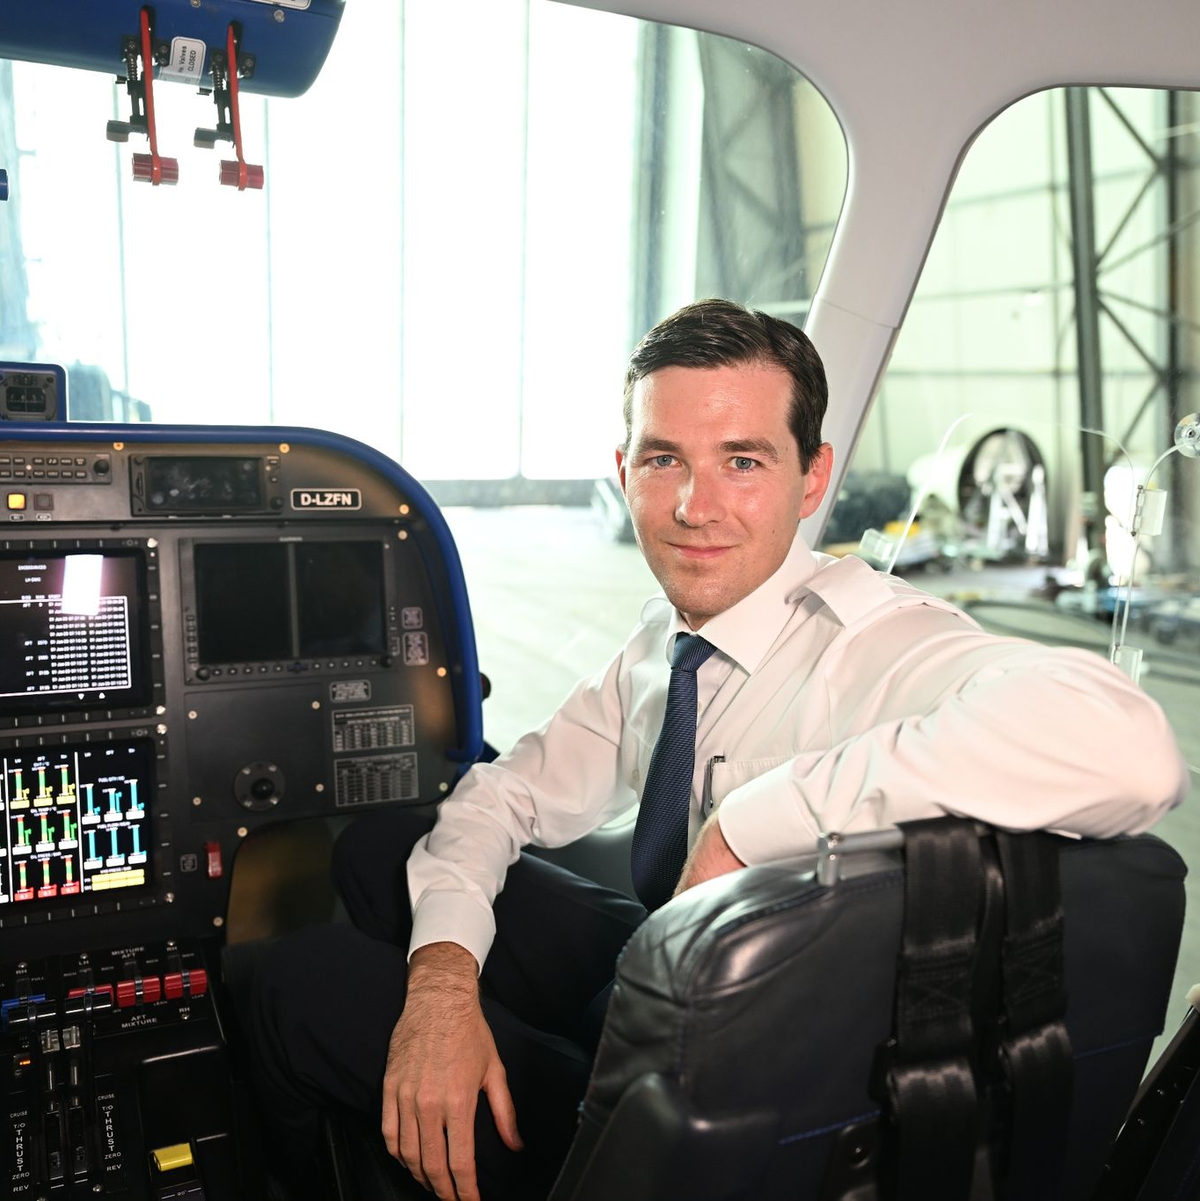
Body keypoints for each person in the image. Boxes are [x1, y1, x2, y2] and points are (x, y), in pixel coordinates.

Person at [251, 299, 1187, 1201]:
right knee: (378, 850)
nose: (696, 507)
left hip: (742, 1102)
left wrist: (751, 821)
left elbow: (1129, 745)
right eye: (665, 459)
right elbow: (504, 796)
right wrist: (442, 990)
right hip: (679, 991)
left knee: (295, 983)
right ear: (624, 470)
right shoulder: (667, 647)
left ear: (811, 477)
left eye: (742, 460)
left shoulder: (876, 645)